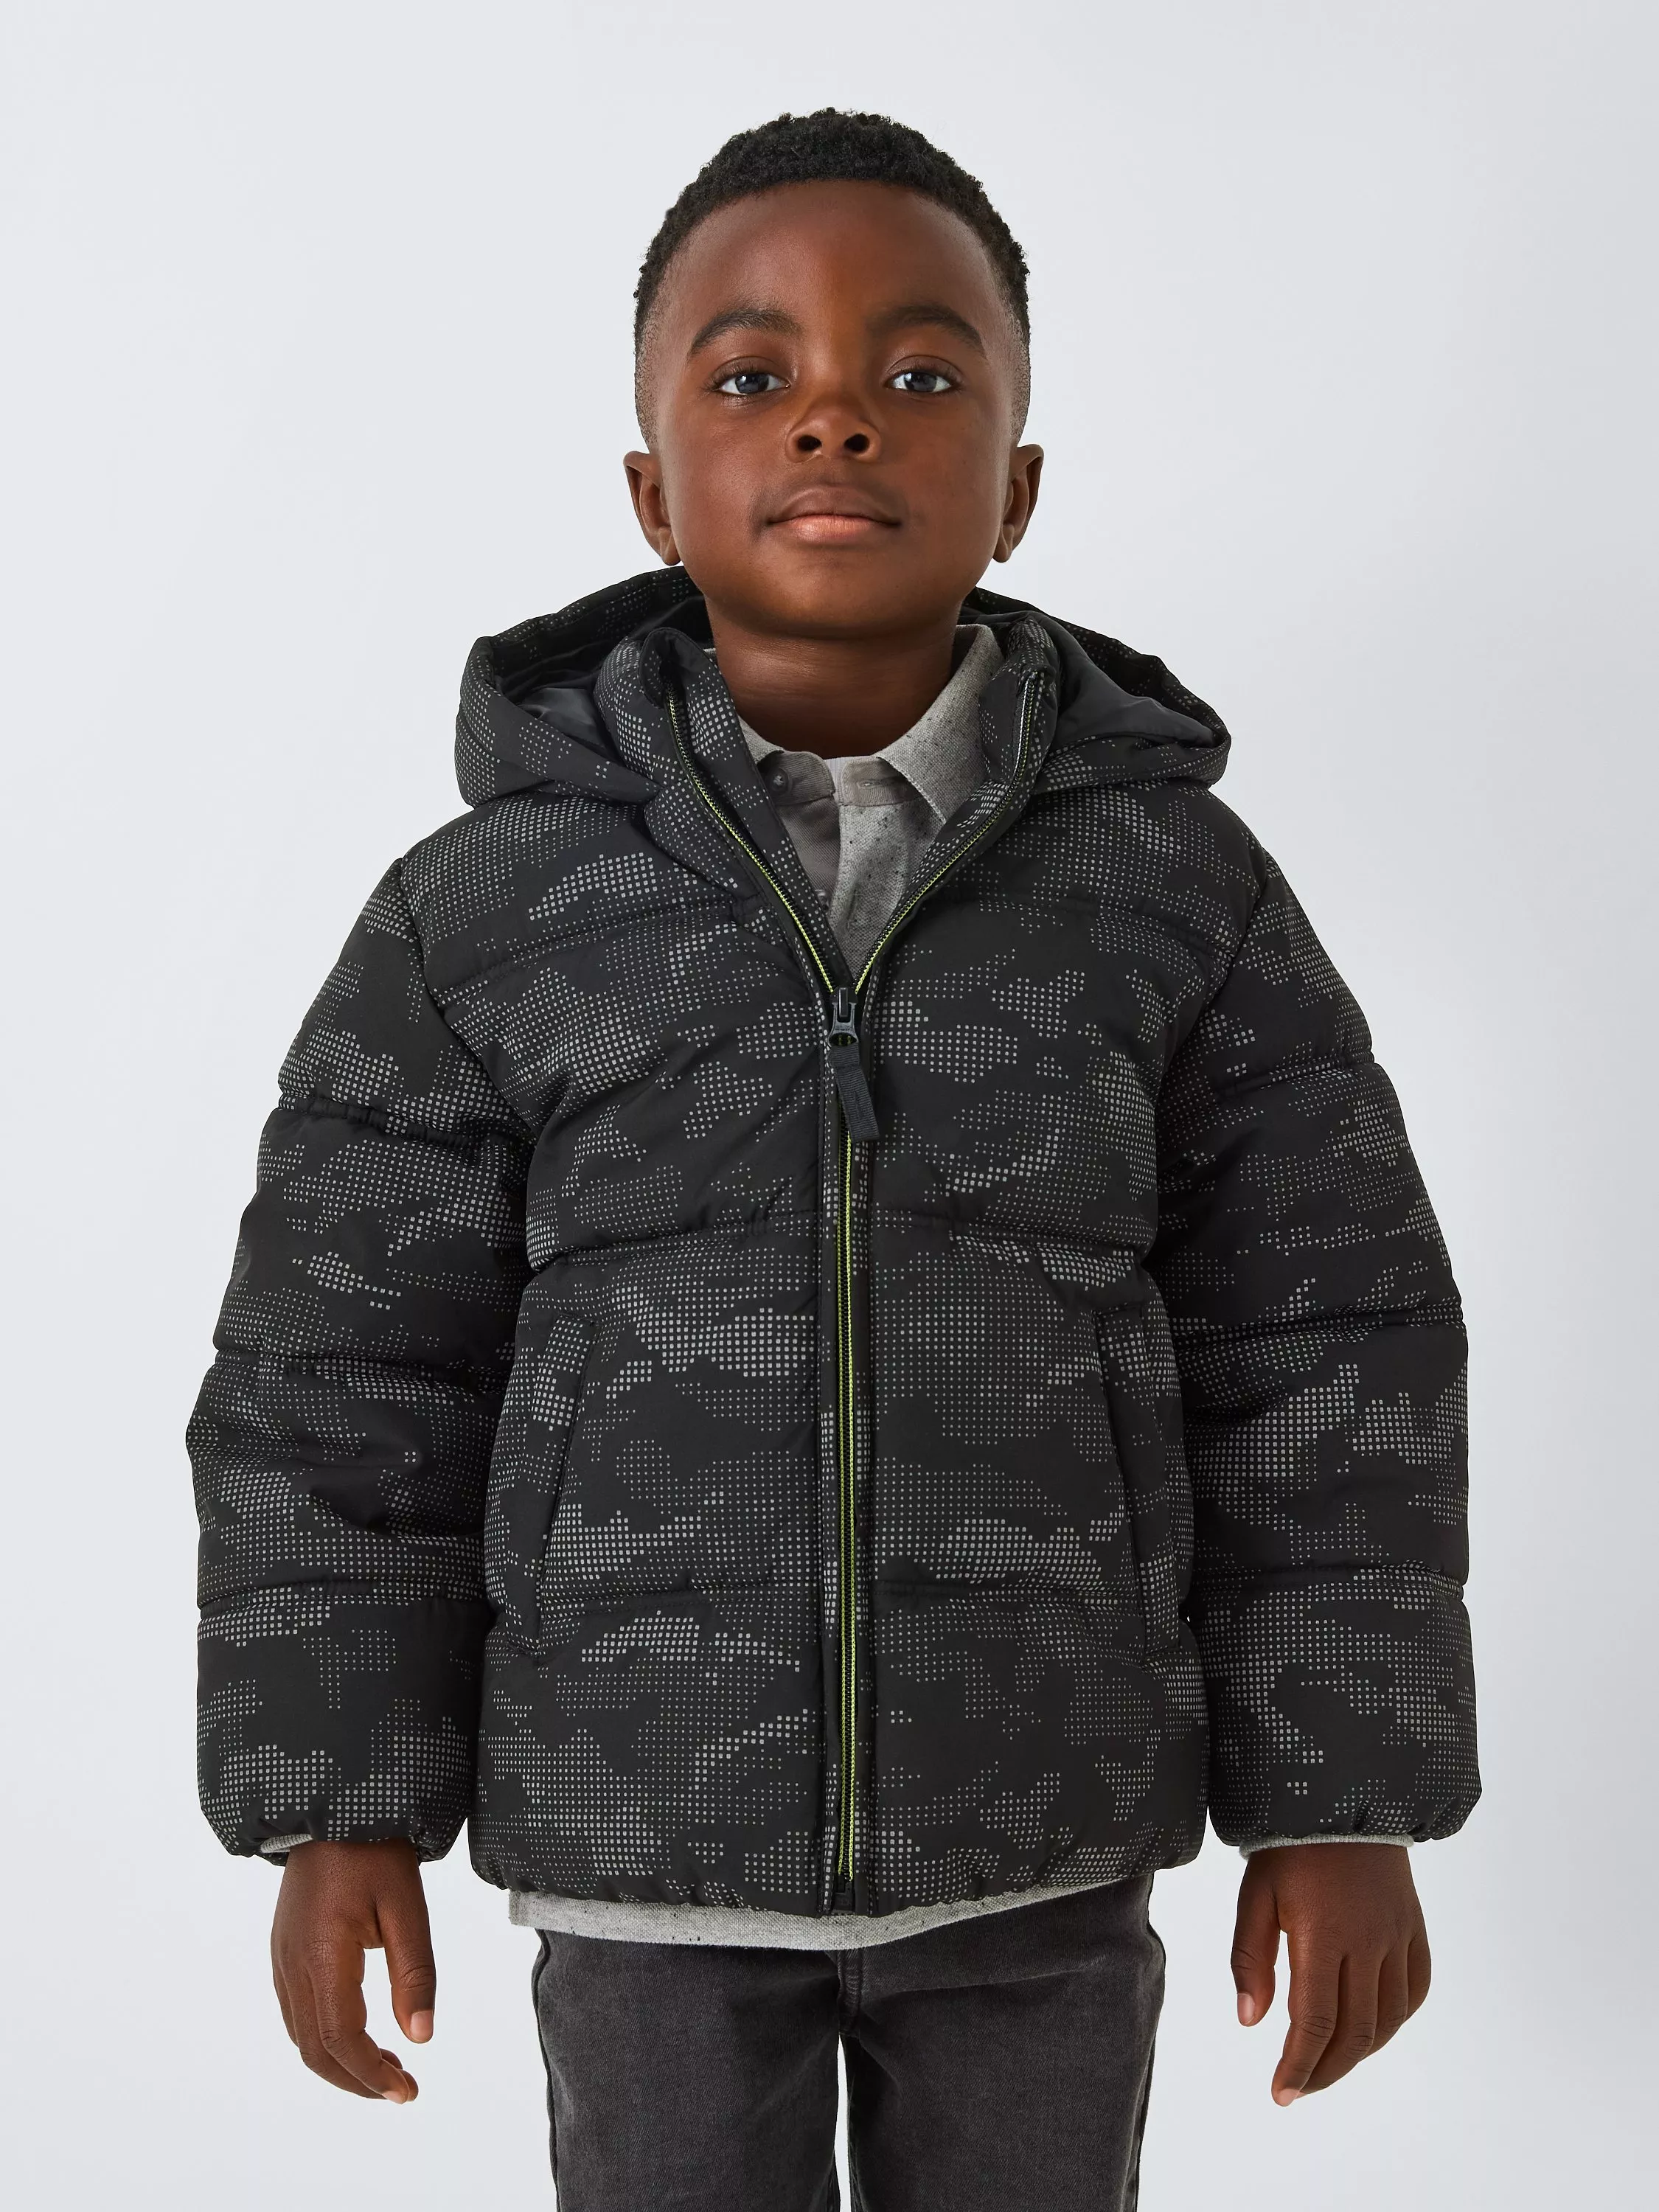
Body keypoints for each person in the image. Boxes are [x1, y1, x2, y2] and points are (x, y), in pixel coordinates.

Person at [189, 108, 1478, 2211]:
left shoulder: (1175, 894)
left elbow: (1329, 1352)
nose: (837, 420)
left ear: (1020, 482)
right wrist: (340, 1811)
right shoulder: (484, 914)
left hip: (1042, 1831)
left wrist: (1340, 1802)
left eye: (922, 372)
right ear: (651, 487)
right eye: (752, 372)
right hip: (642, 1848)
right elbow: (338, 1387)